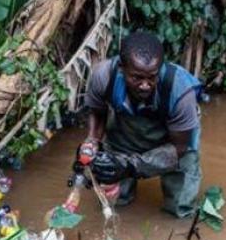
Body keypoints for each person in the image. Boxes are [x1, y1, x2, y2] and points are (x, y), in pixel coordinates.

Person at [77, 31, 204, 218]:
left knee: (180, 209)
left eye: (151, 78)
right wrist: (92, 142)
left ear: (159, 70)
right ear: (122, 68)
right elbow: (98, 112)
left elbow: (179, 149)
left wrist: (131, 167)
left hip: (175, 140)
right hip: (126, 132)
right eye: (136, 77)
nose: (145, 85)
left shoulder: (180, 91)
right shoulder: (104, 76)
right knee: (114, 202)